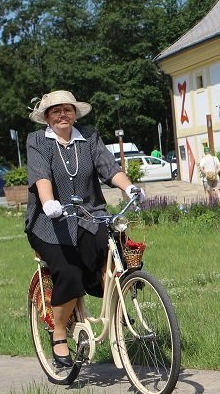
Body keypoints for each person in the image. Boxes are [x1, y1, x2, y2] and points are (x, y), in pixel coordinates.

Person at [25, 90, 145, 369]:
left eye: (67, 109)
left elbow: (109, 167)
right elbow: (41, 176)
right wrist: (49, 203)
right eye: (55, 111)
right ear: (46, 116)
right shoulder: (38, 141)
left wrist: (129, 188)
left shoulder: (89, 137)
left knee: (119, 257)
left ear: (75, 112)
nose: (62, 115)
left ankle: (114, 317)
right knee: (69, 272)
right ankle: (58, 334)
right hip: (50, 222)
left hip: (90, 216)